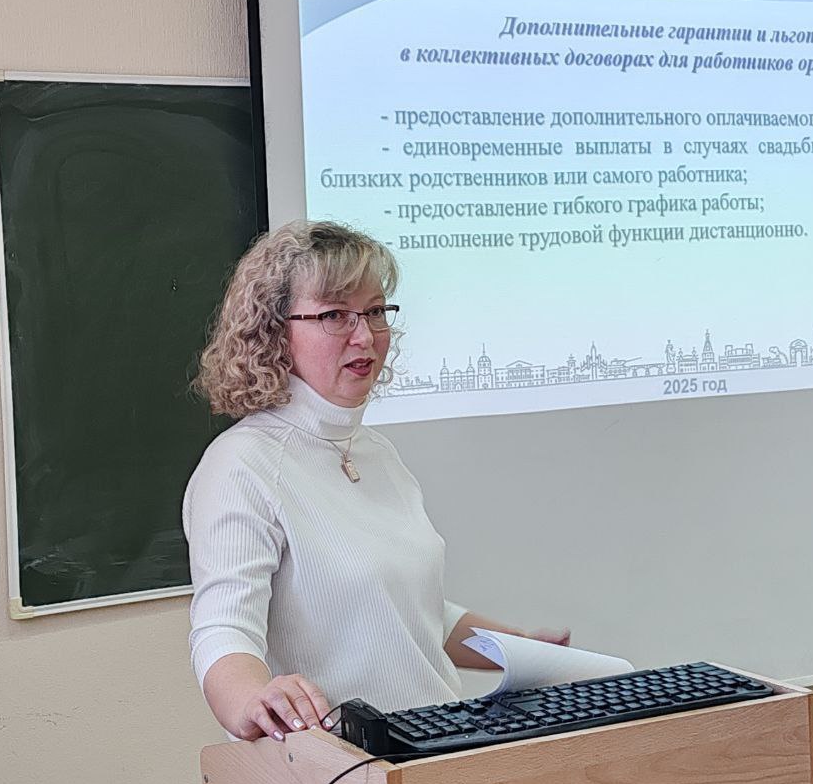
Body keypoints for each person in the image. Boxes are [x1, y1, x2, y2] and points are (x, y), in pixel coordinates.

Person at [184, 219, 569, 742]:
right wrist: (253, 701)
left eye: (374, 312)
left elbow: (409, 613)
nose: (365, 336)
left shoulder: (376, 452)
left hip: (438, 745)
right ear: (274, 332)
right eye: (334, 315)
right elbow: (222, 629)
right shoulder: (241, 466)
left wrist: (520, 647)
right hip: (337, 766)